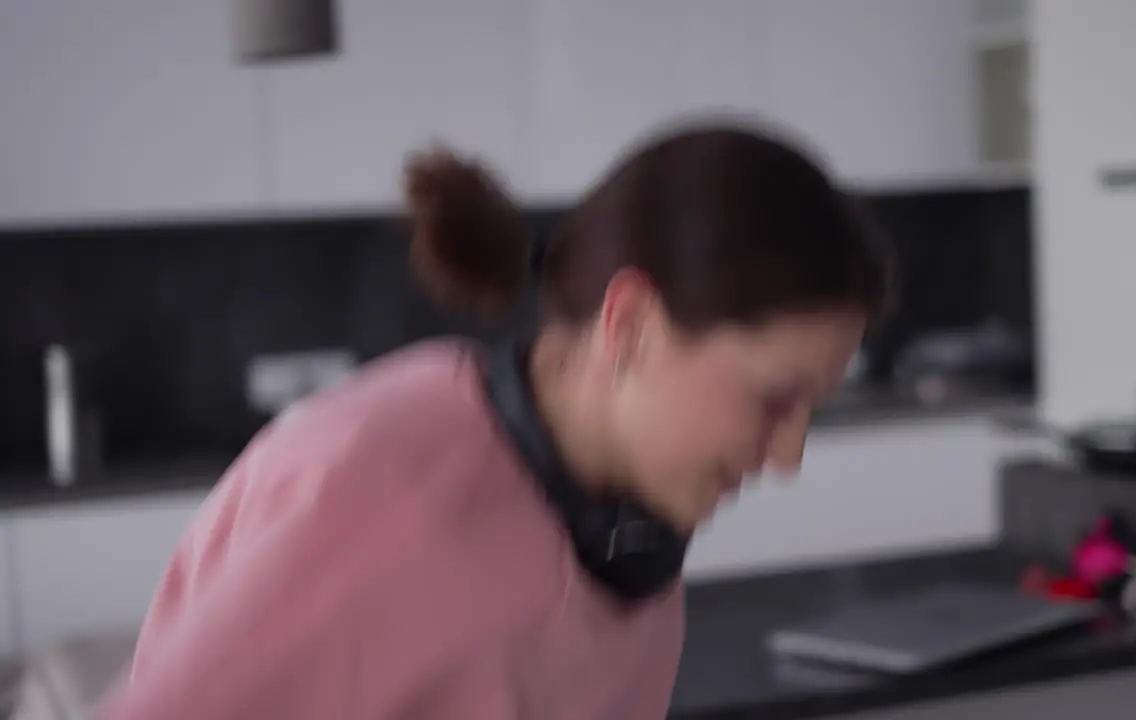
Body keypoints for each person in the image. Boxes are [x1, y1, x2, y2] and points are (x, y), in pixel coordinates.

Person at [96, 121, 891, 719]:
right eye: (773, 399)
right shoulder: (379, 487)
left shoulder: (631, 544)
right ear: (634, 326)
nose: (788, 455)